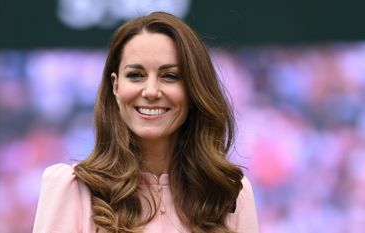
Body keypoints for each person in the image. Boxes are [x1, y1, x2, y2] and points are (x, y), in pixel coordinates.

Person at [33, 11, 258, 233]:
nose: (151, 91)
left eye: (170, 76)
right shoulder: (71, 189)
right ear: (115, 86)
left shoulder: (230, 194)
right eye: (136, 75)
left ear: (193, 90)